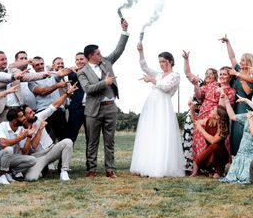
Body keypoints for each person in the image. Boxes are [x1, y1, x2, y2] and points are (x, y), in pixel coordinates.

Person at [78, 18, 129, 178]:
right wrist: (104, 83)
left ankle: (110, 170)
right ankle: (91, 170)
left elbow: (118, 50)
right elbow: (88, 89)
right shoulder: (82, 71)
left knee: (110, 141)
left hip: (110, 107)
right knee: (92, 142)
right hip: (93, 110)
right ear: (90, 56)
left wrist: (124, 31)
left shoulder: (106, 62)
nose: (101, 54)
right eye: (98, 53)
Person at [130, 45, 185, 178]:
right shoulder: (159, 74)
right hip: (152, 103)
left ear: (170, 61)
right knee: (150, 131)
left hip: (163, 105)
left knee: (162, 132)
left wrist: (152, 80)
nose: (161, 65)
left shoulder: (175, 75)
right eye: (160, 62)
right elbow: (145, 67)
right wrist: (141, 52)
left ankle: (162, 166)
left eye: (163, 62)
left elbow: (165, 87)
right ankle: (147, 164)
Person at [21, 81, 78, 182]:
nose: (33, 113)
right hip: (38, 157)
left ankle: (64, 171)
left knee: (68, 142)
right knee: (31, 178)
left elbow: (54, 106)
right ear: (24, 117)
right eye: (30, 113)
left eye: (32, 111)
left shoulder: (38, 117)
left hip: (51, 151)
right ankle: (39, 170)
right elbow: (32, 147)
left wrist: (67, 94)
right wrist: (39, 129)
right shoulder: (21, 131)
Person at [220, 94, 253, 184]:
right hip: (242, 152)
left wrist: (250, 120)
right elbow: (233, 117)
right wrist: (226, 101)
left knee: (247, 178)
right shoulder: (251, 114)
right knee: (232, 177)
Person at [219, 35, 253, 156]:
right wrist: (228, 42)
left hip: (244, 106)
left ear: (249, 63)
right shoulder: (238, 70)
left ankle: (243, 155)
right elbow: (232, 57)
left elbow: (248, 92)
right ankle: (235, 156)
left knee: (240, 132)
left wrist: (239, 76)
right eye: (240, 60)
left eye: (243, 61)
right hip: (234, 106)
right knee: (233, 133)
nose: (240, 62)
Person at [191, 105, 230, 178]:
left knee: (215, 146)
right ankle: (211, 170)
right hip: (209, 150)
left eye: (213, 110)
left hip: (220, 154)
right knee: (209, 150)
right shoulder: (209, 120)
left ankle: (218, 170)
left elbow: (213, 141)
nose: (211, 110)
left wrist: (201, 129)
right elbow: (196, 121)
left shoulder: (223, 128)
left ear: (218, 116)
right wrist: (192, 110)